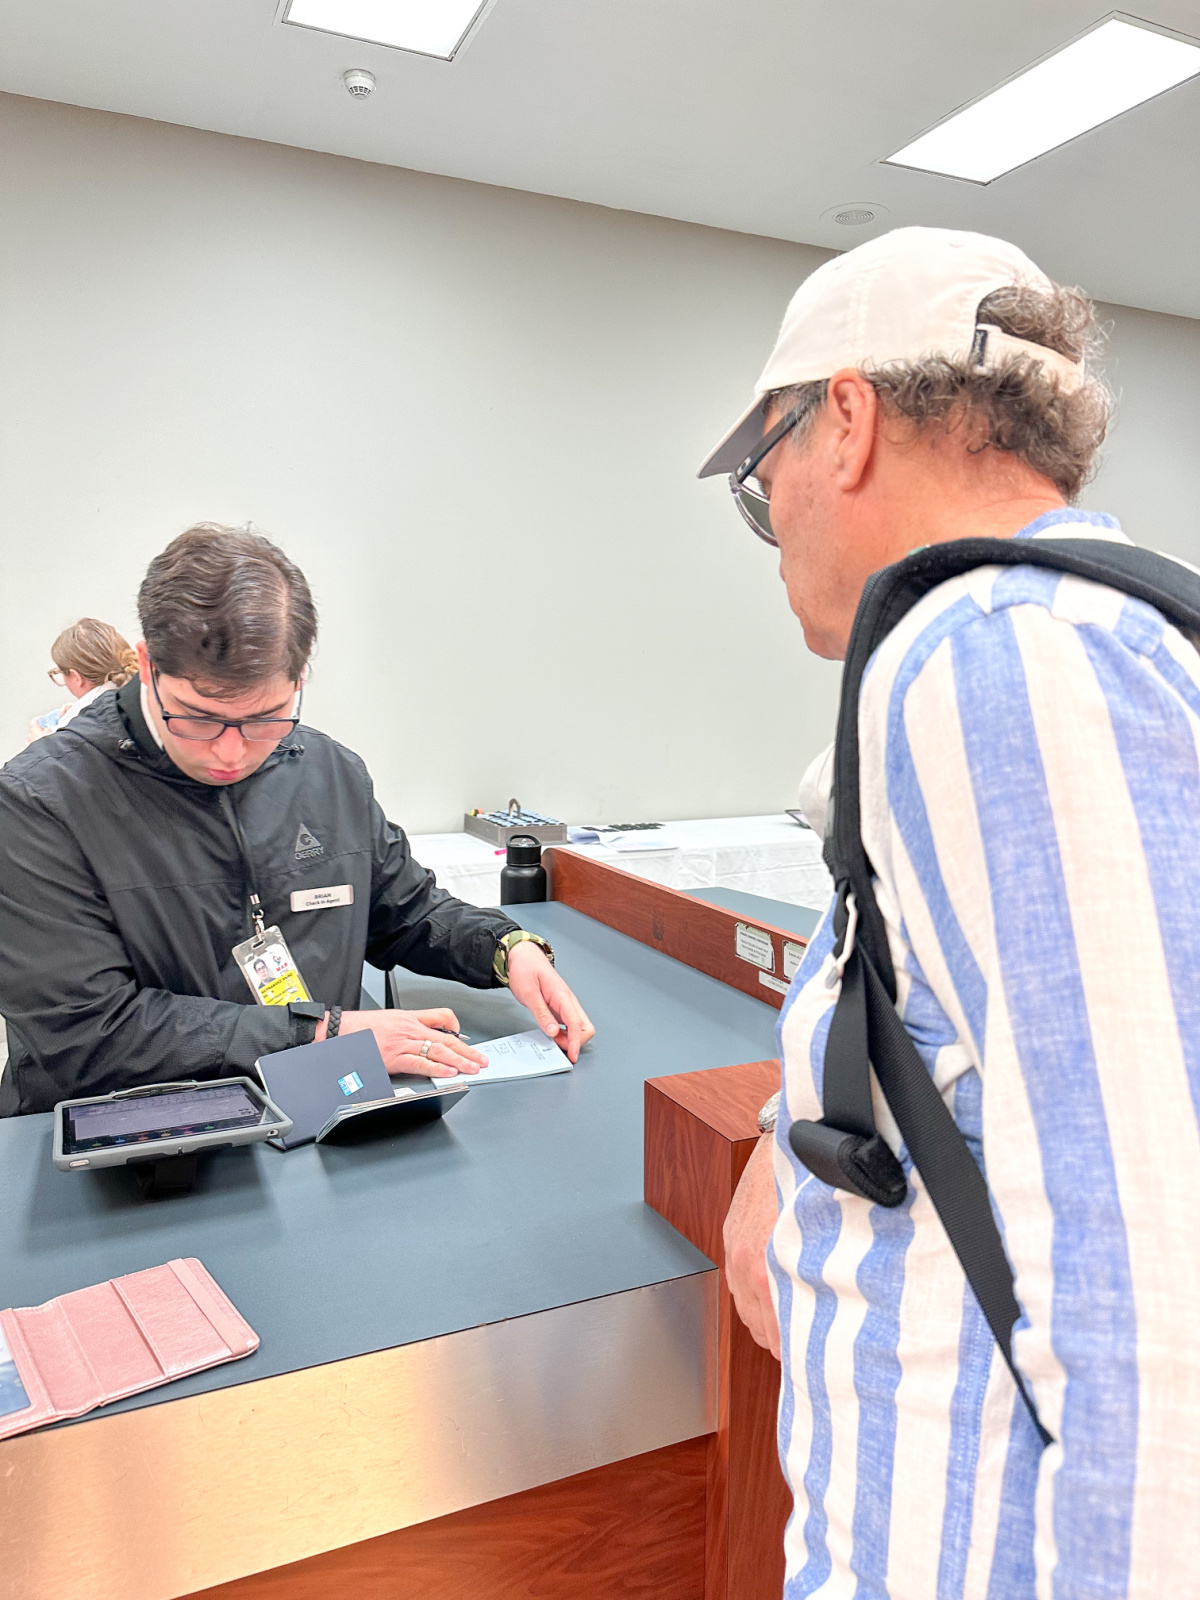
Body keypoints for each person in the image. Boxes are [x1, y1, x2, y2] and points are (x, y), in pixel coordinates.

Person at [703, 228, 1200, 1596]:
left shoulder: (999, 661)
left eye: (764, 477)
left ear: (847, 419)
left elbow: (1152, 1297)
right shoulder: (1061, 640)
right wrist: (785, 1147)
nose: (773, 523)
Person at [0, 524, 592, 1116]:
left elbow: (404, 910)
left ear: (300, 676)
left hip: (318, 1112)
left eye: (265, 717)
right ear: (147, 665)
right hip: (132, 1134)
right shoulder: (41, 802)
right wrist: (321, 1034)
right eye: (198, 718)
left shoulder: (329, 772)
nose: (231, 752)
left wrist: (504, 947)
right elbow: (86, 1033)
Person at [27, 618, 139, 742]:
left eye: (59, 673)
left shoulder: (78, 733)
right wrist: (77, 710)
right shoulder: (140, 696)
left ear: (76, 677)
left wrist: (41, 744)